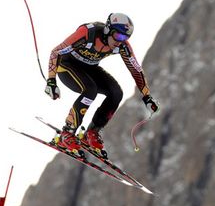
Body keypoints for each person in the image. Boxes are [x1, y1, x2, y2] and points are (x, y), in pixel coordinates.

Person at [44, 13, 159, 158]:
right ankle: (66, 134)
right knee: (90, 90)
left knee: (116, 93)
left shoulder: (122, 46)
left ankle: (91, 133)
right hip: (66, 66)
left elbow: (136, 70)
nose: (120, 41)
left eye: (125, 38)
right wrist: (51, 81)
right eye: (118, 36)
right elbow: (56, 52)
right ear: (108, 30)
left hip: (89, 68)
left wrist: (147, 97)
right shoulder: (88, 33)